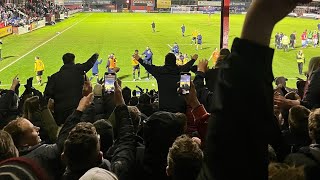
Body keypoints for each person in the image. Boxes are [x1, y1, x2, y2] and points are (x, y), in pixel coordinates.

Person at [44, 53, 98, 125]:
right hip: (77, 110)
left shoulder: (54, 77)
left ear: (63, 61)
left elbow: (47, 94)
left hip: (61, 115)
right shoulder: (78, 69)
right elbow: (89, 64)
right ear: (73, 60)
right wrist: (96, 55)